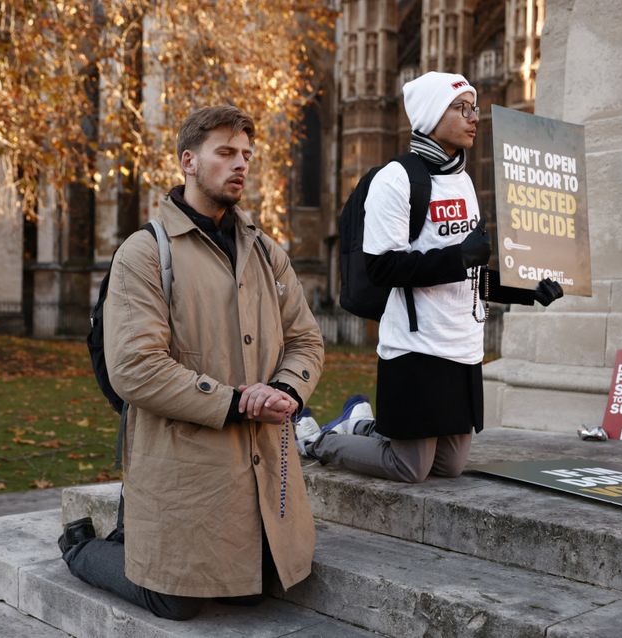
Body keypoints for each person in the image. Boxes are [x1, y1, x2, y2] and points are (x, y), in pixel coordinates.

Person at [59, 105, 325, 620]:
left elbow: (307, 340)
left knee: (257, 587)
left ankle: (134, 537)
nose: (240, 164)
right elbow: (134, 366)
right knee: (175, 599)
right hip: (184, 459)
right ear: (188, 161)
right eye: (225, 152)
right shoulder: (144, 251)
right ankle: (81, 550)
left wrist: (286, 391)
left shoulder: (268, 253)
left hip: (262, 459)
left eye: (246, 154)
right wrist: (232, 402)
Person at [296, 71, 563, 483]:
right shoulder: (397, 180)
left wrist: (528, 291)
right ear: (430, 116)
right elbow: (382, 267)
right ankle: (317, 441)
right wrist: (459, 257)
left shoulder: (464, 181)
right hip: (416, 347)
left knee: (449, 466)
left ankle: (362, 425)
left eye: (473, 107)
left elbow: (469, 276)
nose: (473, 117)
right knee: (409, 466)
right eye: (461, 108)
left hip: (463, 346)